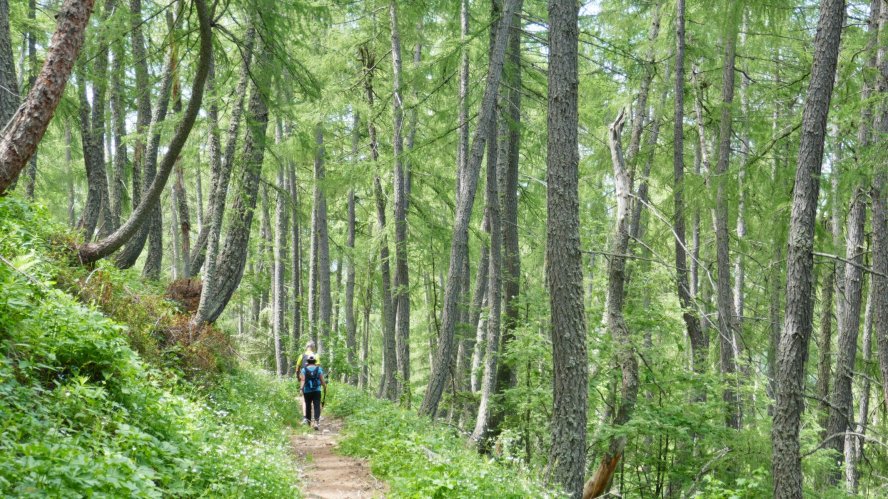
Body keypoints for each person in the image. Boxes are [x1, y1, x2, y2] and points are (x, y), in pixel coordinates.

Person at [300, 354, 327, 430]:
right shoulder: (319, 369)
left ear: (307, 362)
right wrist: (325, 387)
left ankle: (308, 423)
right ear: (314, 361)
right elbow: (322, 380)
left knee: (308, 406)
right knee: (317, 405)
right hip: (317, 390)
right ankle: (316, 422)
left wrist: (301, 389)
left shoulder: (304, 370)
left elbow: (303, 380)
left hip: (307, 391)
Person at [296, 341, 319, 424]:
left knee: (305, 400)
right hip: (315, 382)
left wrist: (298, 377)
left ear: (306, 347)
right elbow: (318, 368)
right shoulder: (316, 356)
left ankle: (305, 418)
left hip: (304, 380)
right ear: (313, 347)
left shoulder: (301, 356)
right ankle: (316, 419)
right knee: (315, 400)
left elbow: (297, 368)